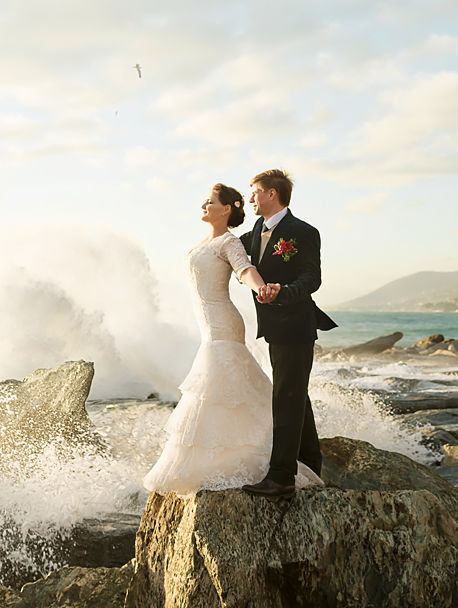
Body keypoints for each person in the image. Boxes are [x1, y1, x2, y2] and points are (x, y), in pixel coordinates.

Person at [142, 183, 323, 495]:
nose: (203, 205)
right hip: (209, 325)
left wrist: (263, 289)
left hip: (224, 325)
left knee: (223, 389)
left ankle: (280, 468)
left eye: (209, 201)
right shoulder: (237, 237)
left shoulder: (230, 242)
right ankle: (278, 455)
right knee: (264, 392)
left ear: (226, 208)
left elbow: (245, 269)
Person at [239, 169, 337, 500]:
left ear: (271, 194)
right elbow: (233, 253)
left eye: (254, 192)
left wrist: (283, 292)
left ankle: (281, 478)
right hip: (274, 329)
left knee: (285, 397)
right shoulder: (255, 230)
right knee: (294, 393)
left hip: (296, 325)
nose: (250, 198)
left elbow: (312, 278)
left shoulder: (304, 232)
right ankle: (310, 462)